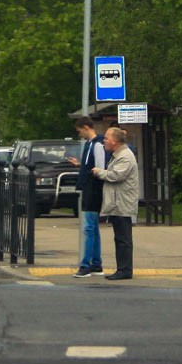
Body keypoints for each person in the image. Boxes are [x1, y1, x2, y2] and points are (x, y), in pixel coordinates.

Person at [93, 126, 141, 280]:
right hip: (117, 203)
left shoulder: (125, 156)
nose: (104, 141)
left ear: (114, 141)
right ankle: (122, 268)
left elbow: (115, 175)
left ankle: (125, 270)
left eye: (106, 138)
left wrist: (99, 172)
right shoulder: (117, 155)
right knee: (119, 238)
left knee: (123, 238)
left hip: (122, 204)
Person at [66, 118, 107, 276]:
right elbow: (92, 165)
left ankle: (86, 264)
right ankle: (96, 264)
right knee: (93, 228)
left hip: (93, 189)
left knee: (89, 228)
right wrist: (81, 165)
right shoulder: (91, 144)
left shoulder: (96, 144)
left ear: (85, 127)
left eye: (79, 131)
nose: (80, 134)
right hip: (90, 188)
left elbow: (99, 168)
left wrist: (89, 172)